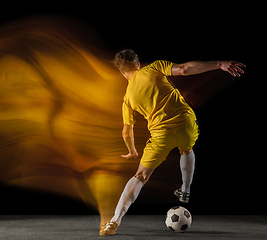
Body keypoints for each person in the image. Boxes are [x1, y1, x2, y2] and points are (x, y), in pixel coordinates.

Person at [100, 49, 245, 236]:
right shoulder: (153, 68)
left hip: (161, 137)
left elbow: (127, 131)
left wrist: (132, 151)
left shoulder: (127, 99)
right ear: (137, 64)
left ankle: (114, 222)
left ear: (121, 71)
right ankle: (185, 189)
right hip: (187, 125)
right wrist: (219, 64)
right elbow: (184, 69)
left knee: (141, 176)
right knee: (187, 149)